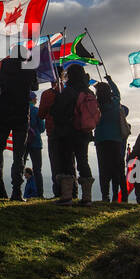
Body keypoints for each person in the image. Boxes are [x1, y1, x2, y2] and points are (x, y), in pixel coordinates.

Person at [0, 54, 39, 200]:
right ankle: (16, 191)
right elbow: (35, 86)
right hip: (21, 115)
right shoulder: (28, 68)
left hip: (4, 112)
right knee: (18, 156)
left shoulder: (5, 66)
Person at [51, 64, 99, 205]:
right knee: (83, 162)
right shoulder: (89, 92)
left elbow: (57, 112)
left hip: (68, 132)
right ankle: (87, 198)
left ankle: (67, 197)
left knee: (67, 162)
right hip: (85, 132)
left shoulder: (68, 91)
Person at [93, 78, 128, 202]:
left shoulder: (96, 105)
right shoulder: (115, 103)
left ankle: (105, 196)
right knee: (118, 168)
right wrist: (110, 80)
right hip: (116, 139)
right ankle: (123, 195)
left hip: (101, 139)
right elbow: (117, 92)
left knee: (103, 168)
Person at [37, 73, 62, 196]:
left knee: (55, 162)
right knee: (69, 162)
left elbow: (41, 115)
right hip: (69, 131)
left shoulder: (47, 94)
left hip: (53, 131)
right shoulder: (70, 92)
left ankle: (58, 191)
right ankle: (72, 191)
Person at [25, 91, 45, 198]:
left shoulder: (21, 110)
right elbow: (42, 128)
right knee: (37, 169)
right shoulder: (36, 111)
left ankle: (17, 191)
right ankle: (40, 194)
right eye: (35, 98)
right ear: (32, 99)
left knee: (20, 165)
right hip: (36, 142)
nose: (36, 100)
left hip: (23, 142)